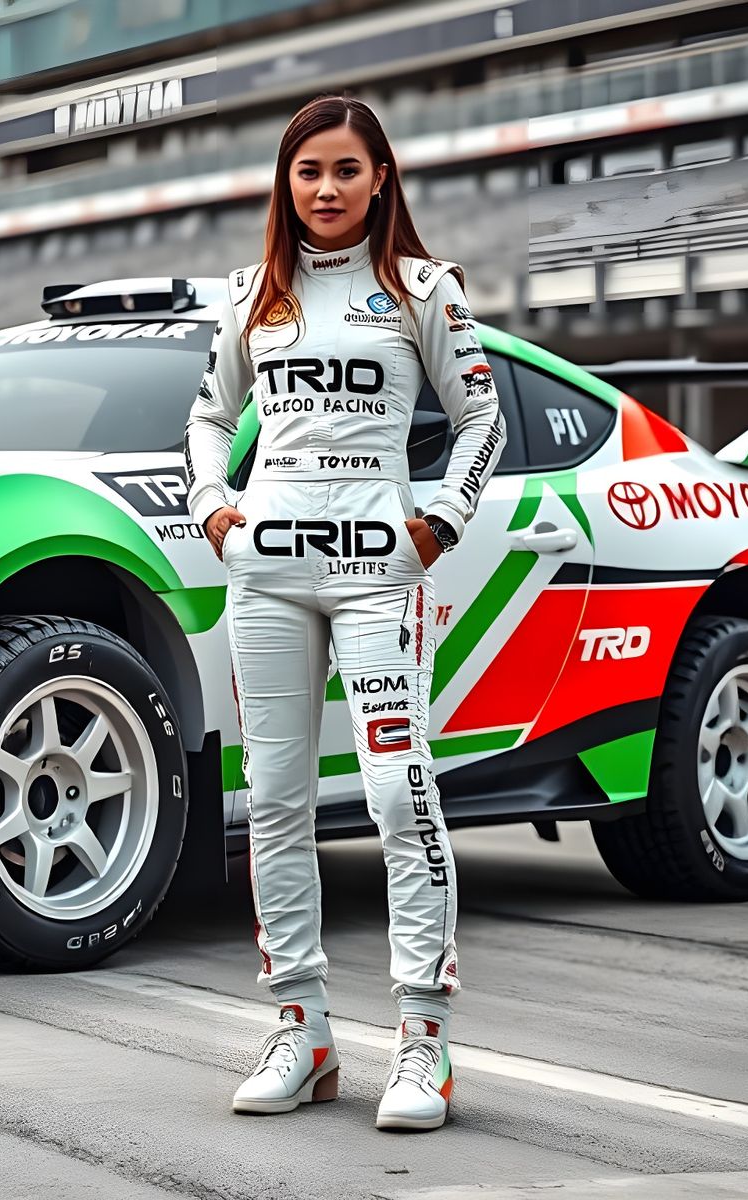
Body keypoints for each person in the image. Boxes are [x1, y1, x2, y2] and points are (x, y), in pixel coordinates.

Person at [184, 95, 505, 1129]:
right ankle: (300, 1030)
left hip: (378, 573)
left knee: (395, 792)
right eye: (306, 170)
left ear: (380, 180)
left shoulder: (421, 288)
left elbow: (480, 417)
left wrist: (438, 523)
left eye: (345, 171)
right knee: (272, 801)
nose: (324, 189)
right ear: (285, 182)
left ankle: (423, 1043)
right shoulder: (250, 295)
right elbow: (204, 418)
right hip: (266, 574)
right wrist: (216, 515)